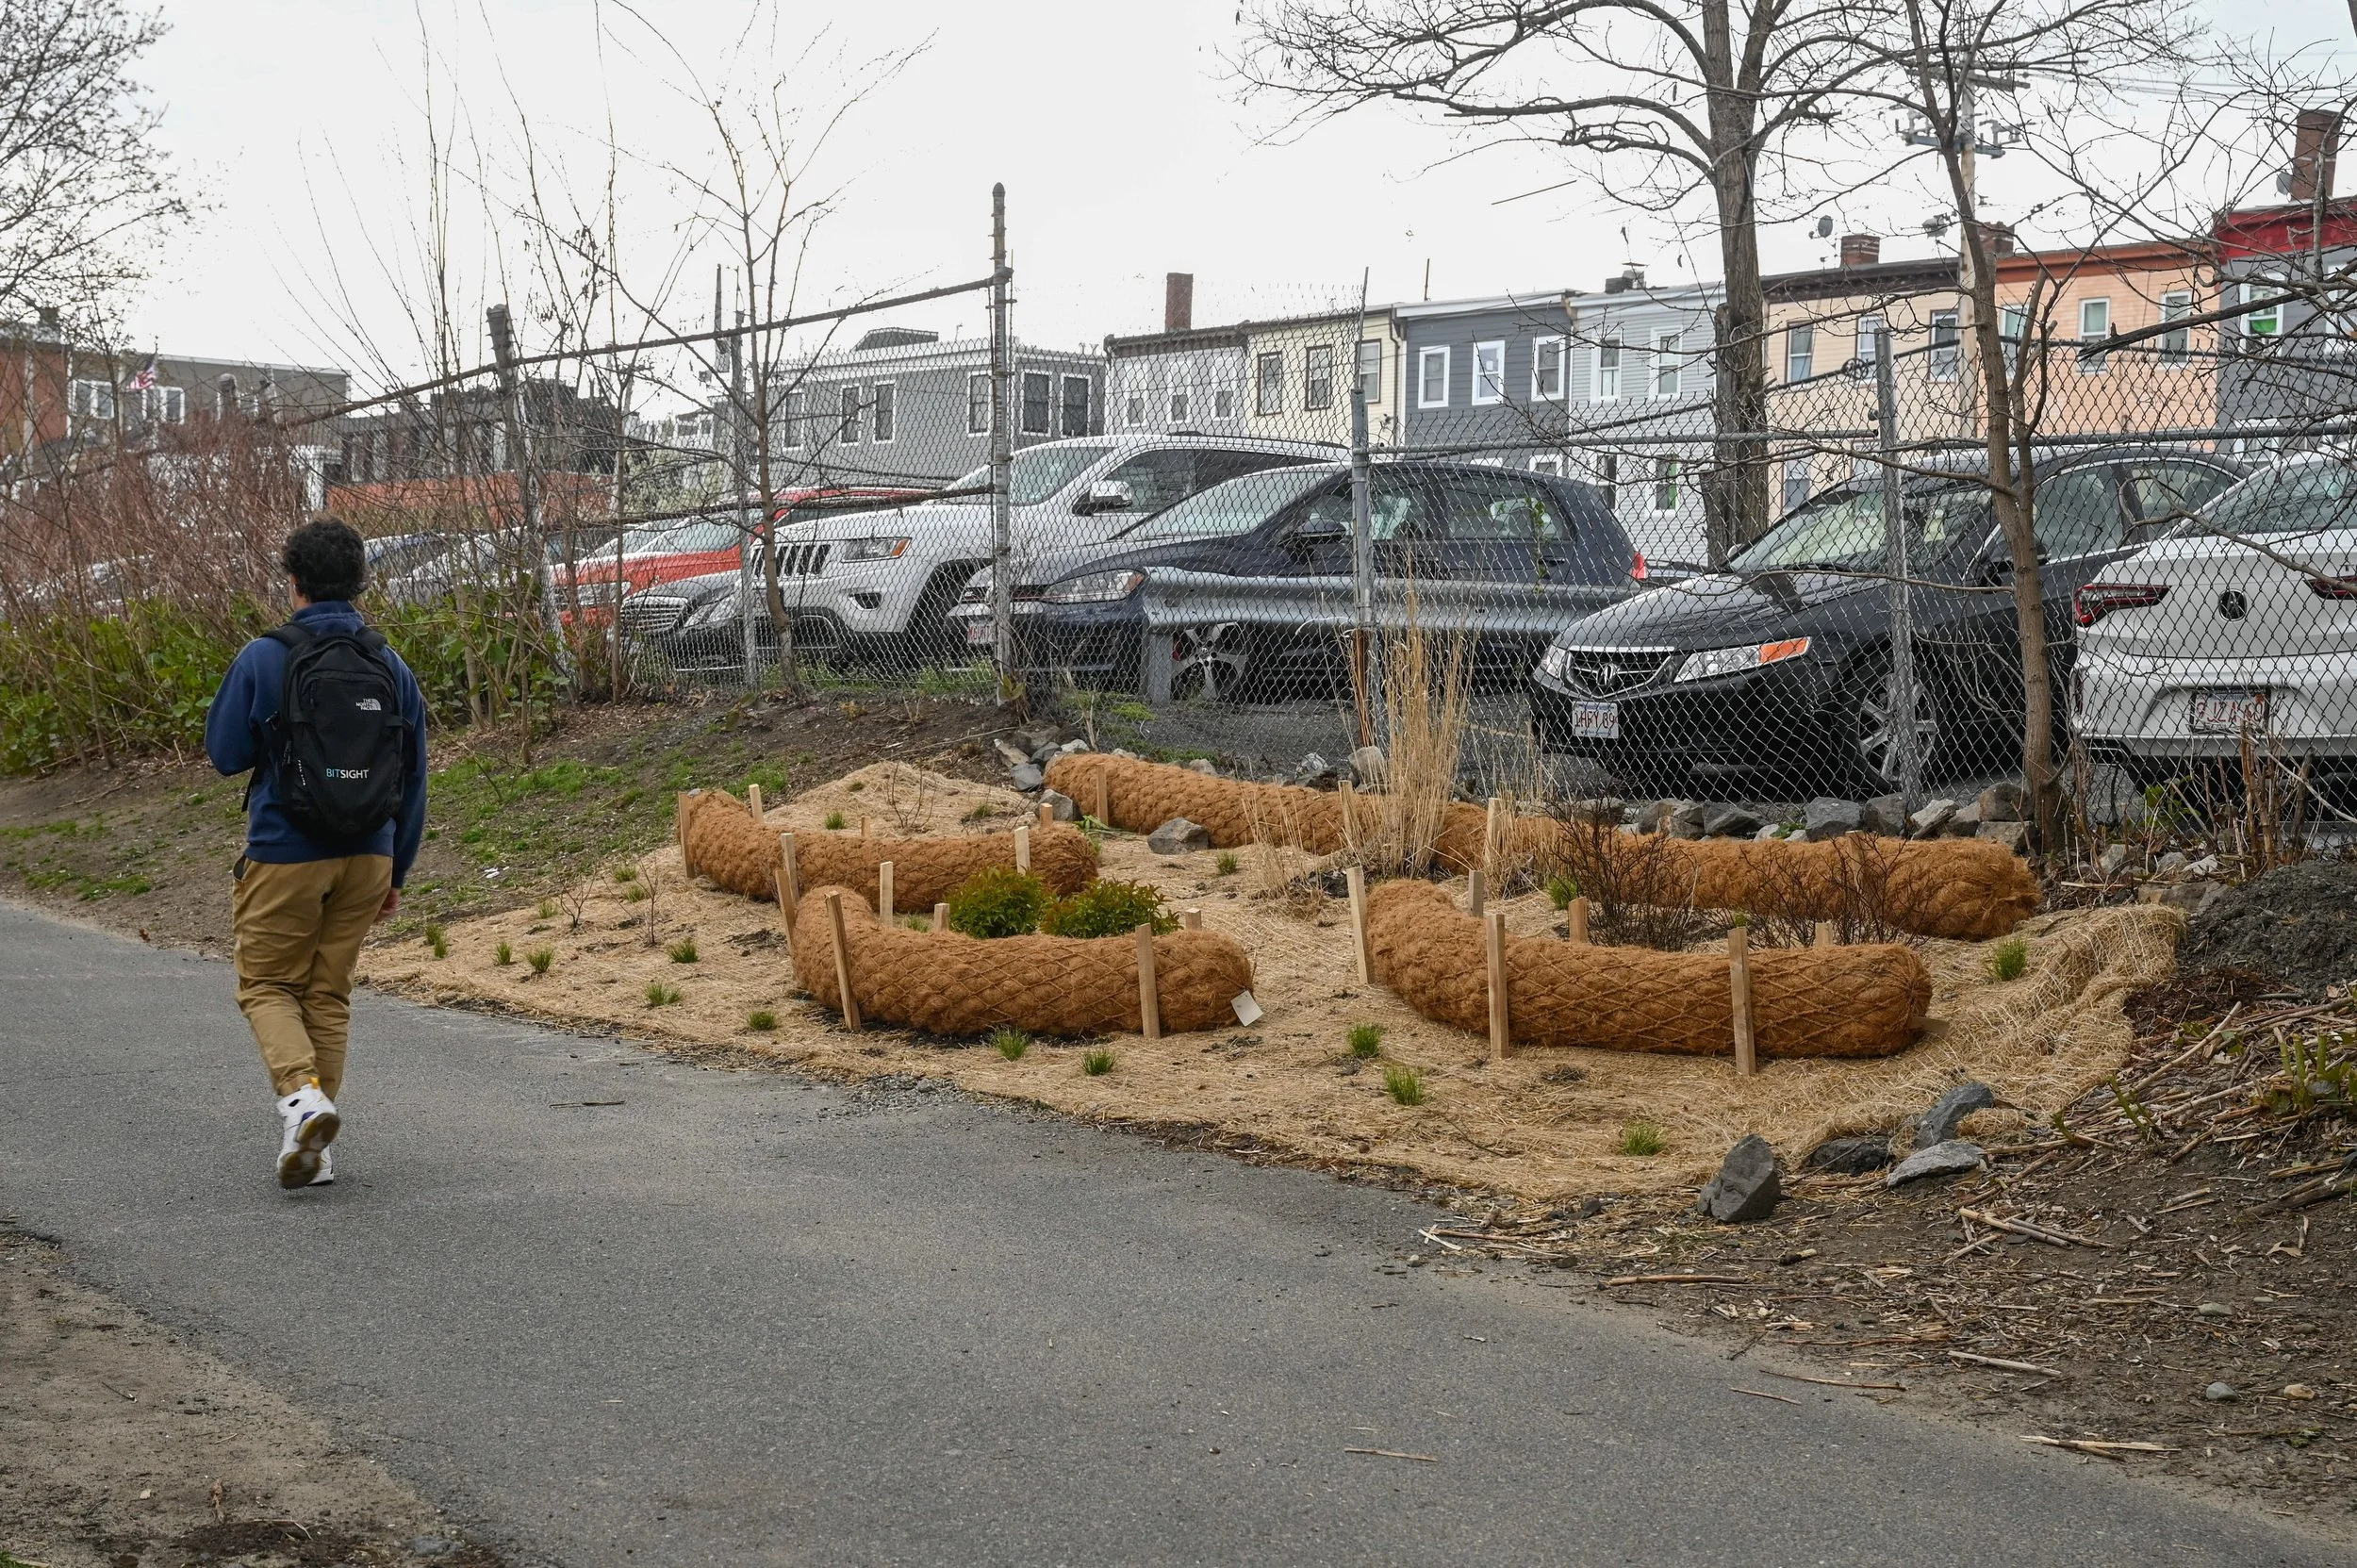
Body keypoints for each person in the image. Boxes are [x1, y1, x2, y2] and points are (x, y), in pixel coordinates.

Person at [206, 518, 428, 1190]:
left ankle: (303, 1100)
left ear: (294, 580)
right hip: (369, 854)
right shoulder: (389, 663)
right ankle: (313, 1147)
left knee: (269, 984)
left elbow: (224, 753)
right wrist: (397, 869)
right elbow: (415, 776)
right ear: (362, 580)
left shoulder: (265, 656)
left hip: (286, 850)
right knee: (327, 992)